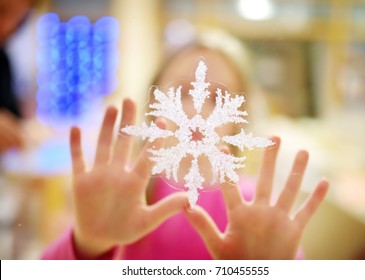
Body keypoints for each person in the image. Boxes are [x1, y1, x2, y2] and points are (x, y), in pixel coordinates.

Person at [42, 32, 329, 260]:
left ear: (240, 118)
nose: (198, 111)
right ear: (153, 102)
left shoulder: (254, 209)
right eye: (182, 92)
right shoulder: (119, 194)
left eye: (218, 98)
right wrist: (87, 244)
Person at [0, 0, 34, 153]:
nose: (7, 26)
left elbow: (14, 119)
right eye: (1, 11)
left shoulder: (3, 60)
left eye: (19, 19)